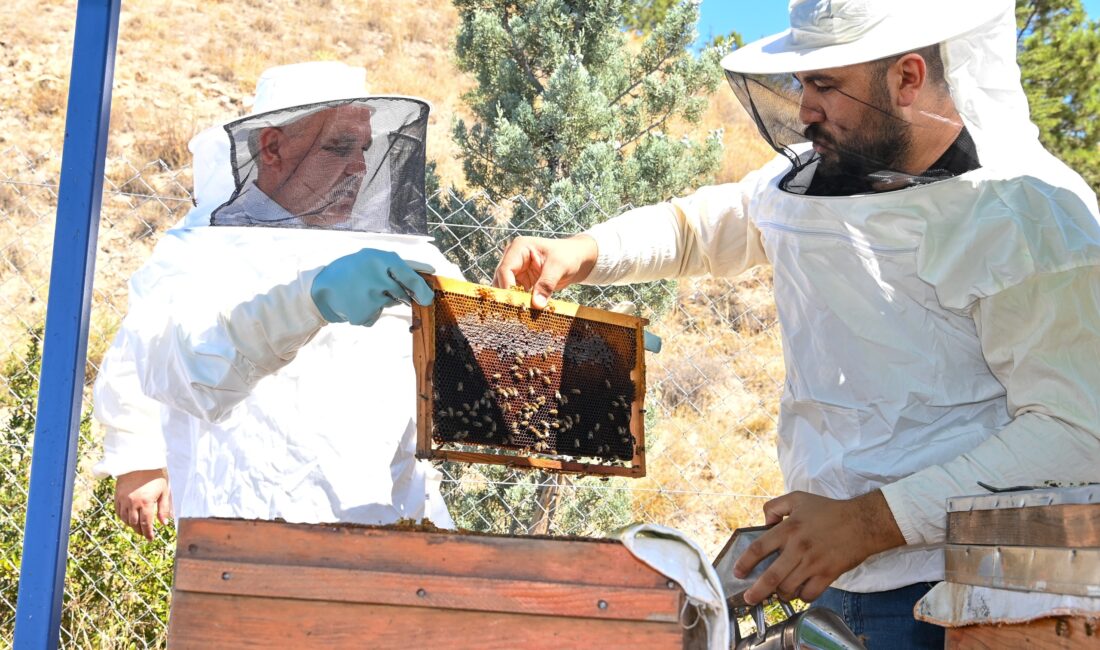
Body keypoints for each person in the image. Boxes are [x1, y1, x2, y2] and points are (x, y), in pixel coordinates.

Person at [492, 1, 1100, 646]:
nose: (805, 108)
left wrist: (869, 524)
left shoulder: (1028, 218)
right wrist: (585, 250)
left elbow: (1076, 430)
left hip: (969, 586)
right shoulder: (813, 178)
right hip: (825, 562)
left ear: (908, 78)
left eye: (826, 85)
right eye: (802, 83)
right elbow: (707, 224)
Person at [93, 61, 461, 537]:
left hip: (390, 520)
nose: (359, 167)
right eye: (338, 147)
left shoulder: (409, 254)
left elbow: (475, 356)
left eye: (364, 149)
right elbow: (166, 365)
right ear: (272, 147)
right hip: (241, 518)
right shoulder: (198, 255)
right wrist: (136, 456)